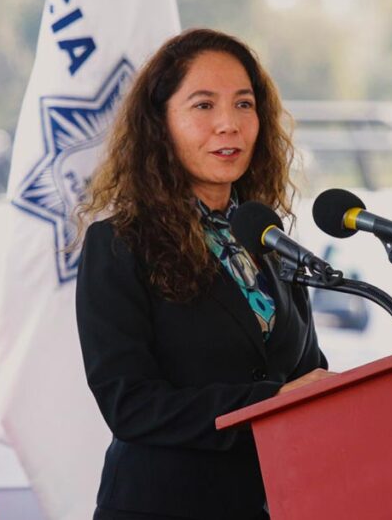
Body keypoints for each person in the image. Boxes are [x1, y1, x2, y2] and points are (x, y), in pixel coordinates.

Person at [74, 28, 333, 520]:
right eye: (203, 106)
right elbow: (129, 404)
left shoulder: (268, 238)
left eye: (243, 104)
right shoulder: (119, 245)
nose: (228, 125)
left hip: (275, 504)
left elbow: (305, 377)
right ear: (161, 124)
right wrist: (269, 400)